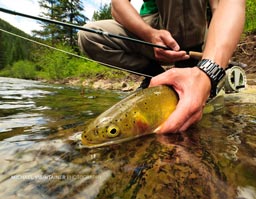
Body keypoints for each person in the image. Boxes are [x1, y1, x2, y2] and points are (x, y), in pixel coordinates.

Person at [78, 0, 245, 134]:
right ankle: (155, 77)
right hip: (149, 32)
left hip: (199, 35)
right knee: (88, 35)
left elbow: (224, 6)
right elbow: (117, 5)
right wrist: (149, 34)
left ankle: (192, 70)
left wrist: (210, 68)